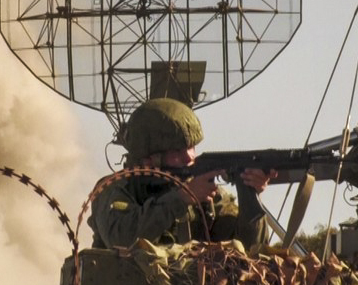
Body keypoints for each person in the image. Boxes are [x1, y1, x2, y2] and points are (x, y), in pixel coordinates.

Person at [90, 98, 274, 250]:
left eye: (191, 147)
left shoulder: (208, 197)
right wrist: (180, 199)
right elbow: (121, 239)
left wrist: (251, 193)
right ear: (149, 159)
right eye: (177, 151)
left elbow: (248, 250)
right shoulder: (114, 189)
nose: (189, 157)